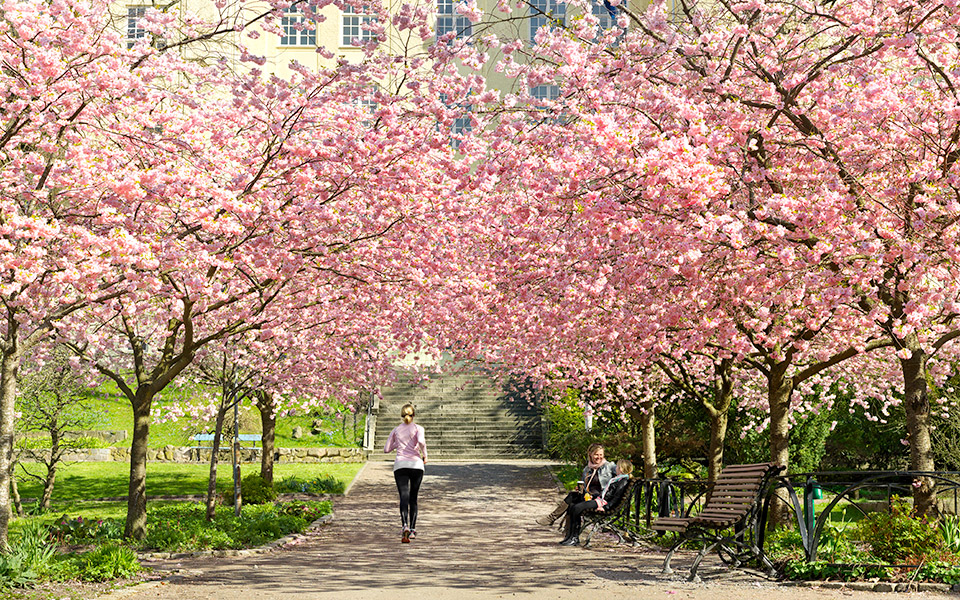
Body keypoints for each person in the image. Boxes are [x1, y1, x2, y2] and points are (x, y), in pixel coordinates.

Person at [536, 443, 617, 527]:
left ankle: (554, 520)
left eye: (601, 455)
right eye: (596, 455)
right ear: (590, 454)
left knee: (572, 502)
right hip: (588, 496)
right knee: (572, 498)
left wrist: (628, 474)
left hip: (600, 499)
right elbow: (585, 486)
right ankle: (568, 532)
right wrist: (580, 489)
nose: (599, 457)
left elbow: (621, 472)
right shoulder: (587, 468)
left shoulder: (609, 466)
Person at [559, 458, 634, 546]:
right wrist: (593, 496)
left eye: (617, 467)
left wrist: (605, 507)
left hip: (603, 504)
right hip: (600, 500)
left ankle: (575, 538)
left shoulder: (622, 481)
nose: (616, 468)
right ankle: (570, 536)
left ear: (621, 469)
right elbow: (606, 493)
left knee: (577, 508)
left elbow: (616, 498)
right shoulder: (617, 479)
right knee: (572, 506)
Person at [384, 402, 427, 543]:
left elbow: (386, 449)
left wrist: (399, 443)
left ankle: (404, 526)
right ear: (413, 414)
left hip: (401, 465)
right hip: (416, 465)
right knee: (413, 497)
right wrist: (425, 455)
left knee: (404, 495)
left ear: (402, 415)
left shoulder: (396, 430)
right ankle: (413, 530)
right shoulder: (418, 428)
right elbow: (421, 441)